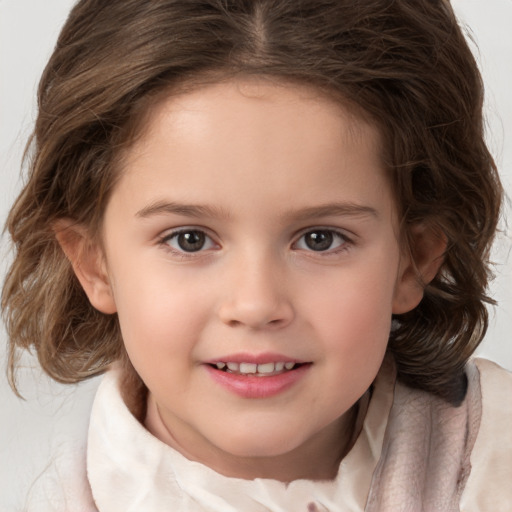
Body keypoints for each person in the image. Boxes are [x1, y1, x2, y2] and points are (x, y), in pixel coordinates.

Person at [2, 0, 511, 510]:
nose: (255, 304)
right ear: (94, 264)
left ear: (413, 258)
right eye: (189, 239)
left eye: (320, 239)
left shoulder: (496, 458)